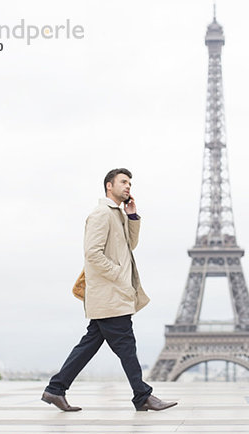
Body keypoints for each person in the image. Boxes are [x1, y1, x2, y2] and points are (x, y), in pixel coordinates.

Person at [42, 168, 177, 412]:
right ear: (108, 186)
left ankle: (55, 389)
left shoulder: (118, 215)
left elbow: (130, 245)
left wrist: (133, 217)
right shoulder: (101, 214)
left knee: (90, 344)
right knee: (126, 345)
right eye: (123, 182)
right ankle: (143, 395)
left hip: (113, 295)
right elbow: (92, 254)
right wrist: (118, 275)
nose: (128, 187)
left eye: (130, 183)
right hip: (110, 294)